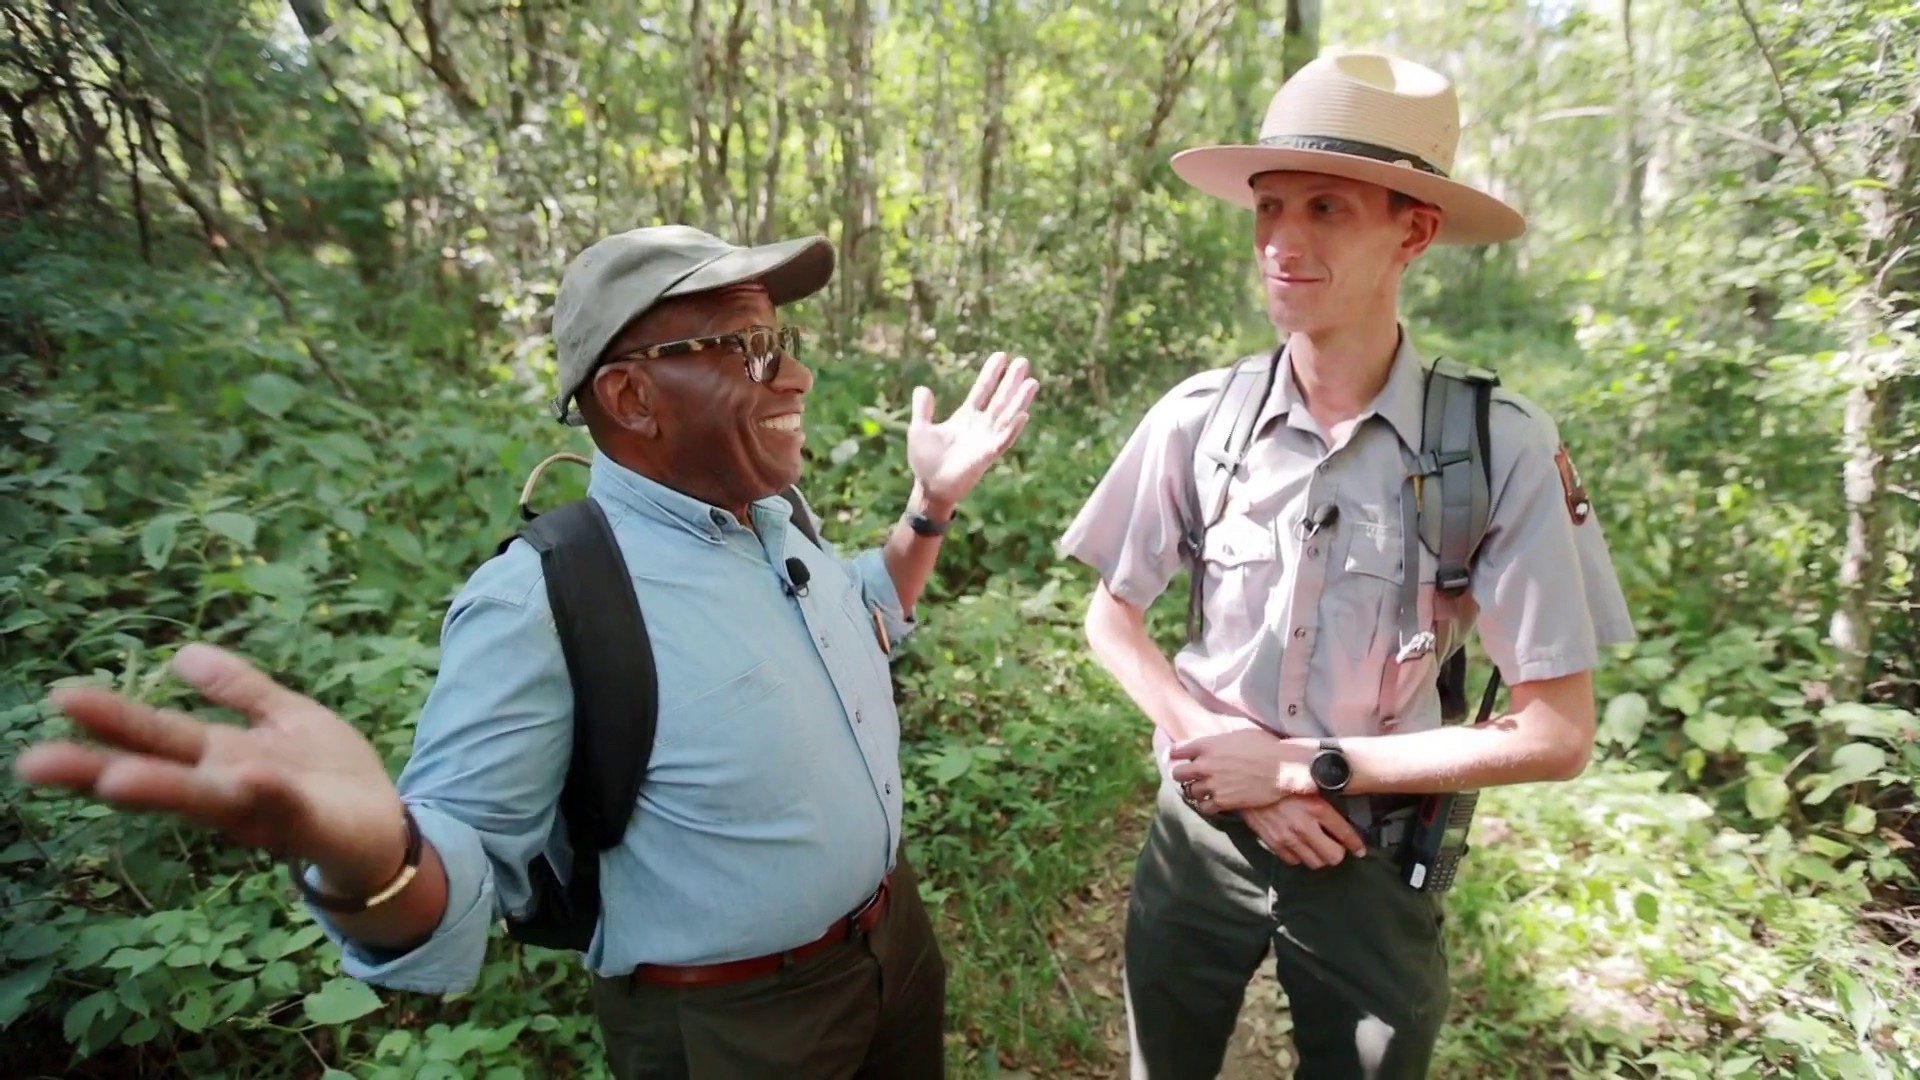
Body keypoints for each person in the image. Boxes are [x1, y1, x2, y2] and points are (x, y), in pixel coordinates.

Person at [16, 224, 1040, 1079]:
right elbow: (458, 853)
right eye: (748, 347)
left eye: (782, 337)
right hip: (739, 1029)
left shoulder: (777, 518)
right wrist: (372, 856)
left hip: (893, 948)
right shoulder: (547, 598)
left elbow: (859, 618)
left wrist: (931, 506)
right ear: (632, 398)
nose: (798, 374)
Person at [1056, 52, 1635, 1079]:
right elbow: (1113, 617)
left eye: (1328, 208)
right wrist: (1220, 751)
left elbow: (1556, 732)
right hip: (1199, 838)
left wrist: (1303, 767)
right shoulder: (1202, 418)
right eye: (1269, 206)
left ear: (1412, 231)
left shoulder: (1494, 446)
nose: (1282, 240)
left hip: (1373, 858)